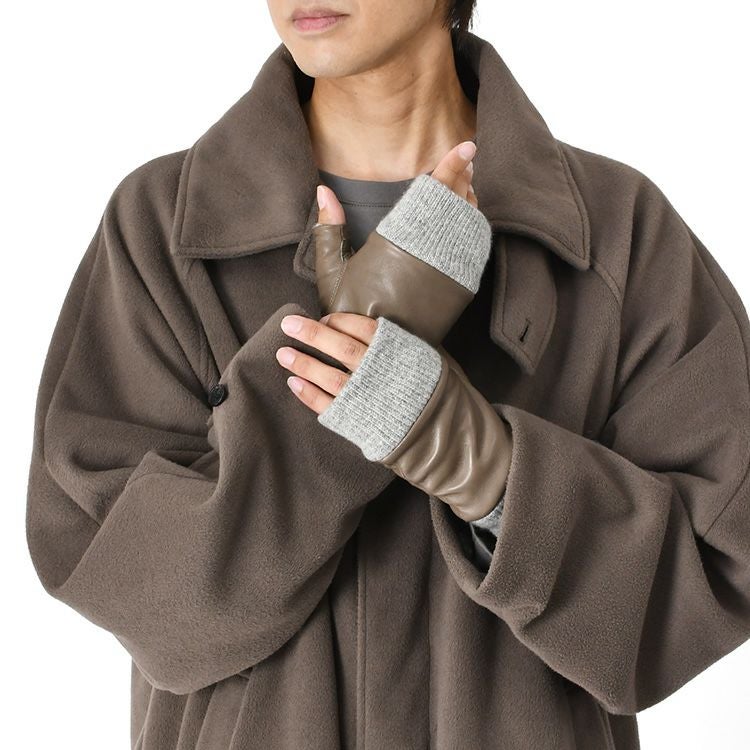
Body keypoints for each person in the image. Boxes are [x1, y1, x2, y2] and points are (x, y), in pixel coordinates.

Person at [25, 1, 750, 748]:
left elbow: (713, 576)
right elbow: (143, 597)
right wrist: (365, 363)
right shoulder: (164, 228)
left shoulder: (616, 231)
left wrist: (476, 460)